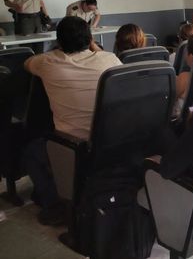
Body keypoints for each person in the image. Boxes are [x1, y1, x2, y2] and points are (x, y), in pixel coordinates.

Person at [23, 17, 121, 224]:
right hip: (111, 142)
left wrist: (56, 51)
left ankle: (54, 207)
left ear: (59, 41)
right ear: (90, 38)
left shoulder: (47, 62)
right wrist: (93, 47)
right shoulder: (110, 59)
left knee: (32, 151)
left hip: (73, 146)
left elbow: (27, 63)